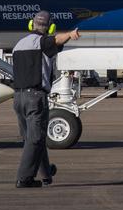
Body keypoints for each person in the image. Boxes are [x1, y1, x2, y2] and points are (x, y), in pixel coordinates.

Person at [12, 10, 79, 188]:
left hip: (18, 98)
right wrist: (71, 35)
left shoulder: (19, 44)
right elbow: (56, 40)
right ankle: (24, 178)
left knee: (35, 138)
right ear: (50, 27)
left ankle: (46, 174)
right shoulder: (42, 42)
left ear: (30, 24)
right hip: (35, 97)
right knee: (34, 139)